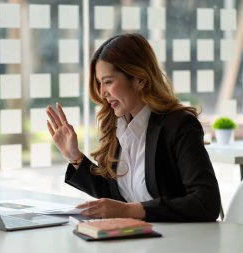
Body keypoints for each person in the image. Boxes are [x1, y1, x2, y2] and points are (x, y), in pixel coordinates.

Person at [46, 33, 221, 222]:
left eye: (108, 82)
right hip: (135, 239)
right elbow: (114, 195)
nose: (102, 93)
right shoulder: (117, 126)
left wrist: (131, 211)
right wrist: (75, 156)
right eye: (99, 83)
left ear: (140, 79)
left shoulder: (179, 125)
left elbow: (206, 203)